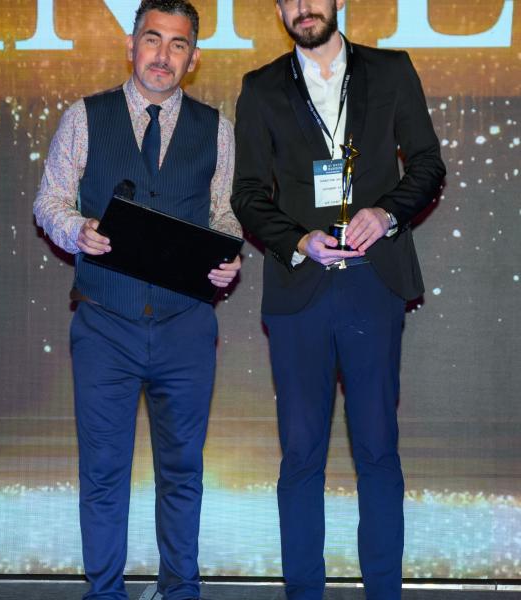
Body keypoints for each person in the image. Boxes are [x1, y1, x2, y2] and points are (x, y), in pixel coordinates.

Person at [231, 1, 445, 599]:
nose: (304, 7)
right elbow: (247, 193)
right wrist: (298, 239)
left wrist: (388, 212)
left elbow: (427, 164)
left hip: (373, 284)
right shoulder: (260, 87)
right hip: (300, 290)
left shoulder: (391, 70)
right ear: (279, 9)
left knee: (377, 449)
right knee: (301, 455)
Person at [33, 1, 241, 599]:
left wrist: (228, 254)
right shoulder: (84, 117)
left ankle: (181, 590)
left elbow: (224, 212)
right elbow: (49, 202)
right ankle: (105, 592)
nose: (163, 55)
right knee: (103, 474)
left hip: (186, 326)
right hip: (105, 325)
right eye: (153, 39)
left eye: (178, 44)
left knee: (183, 473)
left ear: (193, 58)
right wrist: (78, 230)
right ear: (131, 45)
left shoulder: (216, 128)